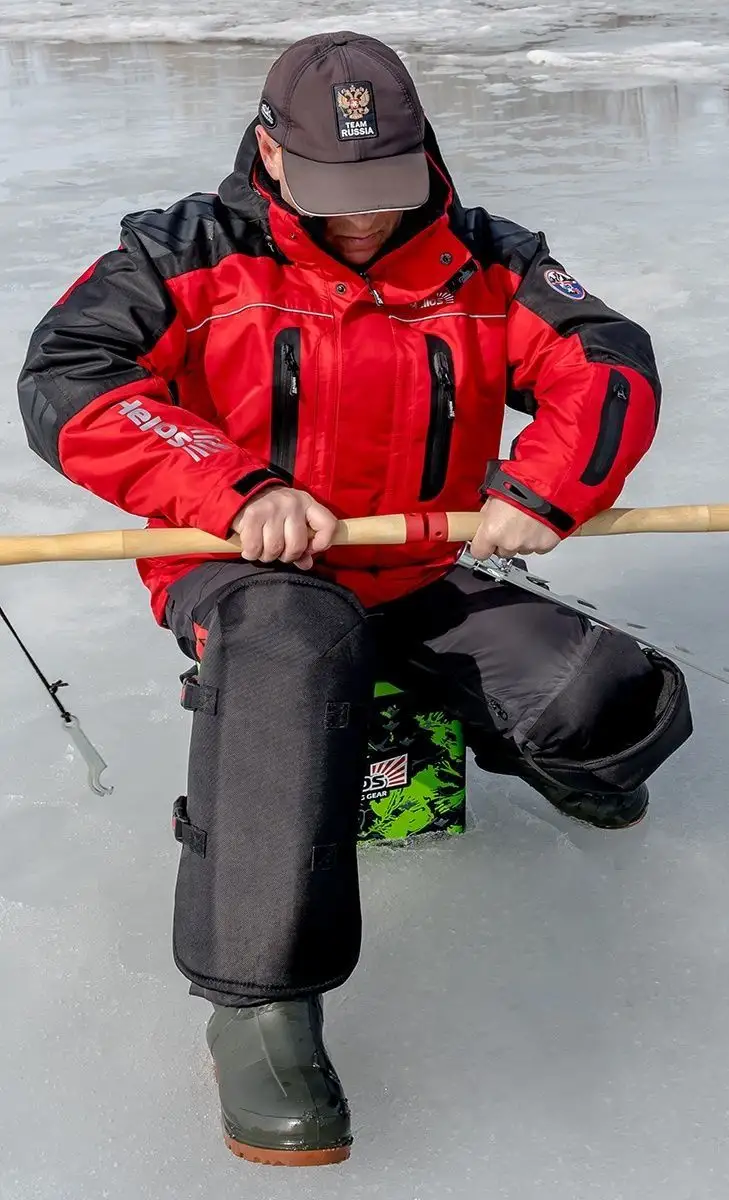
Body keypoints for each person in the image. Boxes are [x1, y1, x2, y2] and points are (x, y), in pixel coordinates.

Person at [17, 32, 692, 1167]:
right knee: (292, 646)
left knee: (597, 694)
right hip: (246, 569)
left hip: (420, 560)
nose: (367, 217)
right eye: (337, 192)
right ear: (271, 157)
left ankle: (552, 759)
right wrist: (232, 486)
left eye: (387, 187)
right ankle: (261, 1010)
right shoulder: (178, 251)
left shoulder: (492, 262)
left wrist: (544, 486)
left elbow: (606, 361)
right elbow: (71, 377)